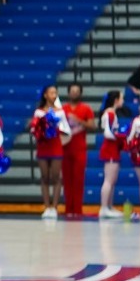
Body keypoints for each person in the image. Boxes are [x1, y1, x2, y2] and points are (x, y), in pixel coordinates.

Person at [31, 86, 69, 219]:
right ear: (45, 95)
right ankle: (47, 206)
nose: (54, 95)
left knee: (56, 177)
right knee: (45, 176)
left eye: (55, 93)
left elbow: (67, 129)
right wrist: (40, 130)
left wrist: (56, 128)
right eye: (51, 92)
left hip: (55, 145)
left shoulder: (60, 112)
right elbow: (33, 130)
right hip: (43, 146)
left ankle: (54, 206)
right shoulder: (38, 112)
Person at [59, 83, 93, 218]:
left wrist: (78, 120)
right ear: (68, 93)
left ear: (80, 93)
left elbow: (92, 125)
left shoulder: (86, 108)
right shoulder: (62, 109)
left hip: (79, 148)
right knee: (66, 180)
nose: (74, 93)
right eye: (72, 91)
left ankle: (77, 210)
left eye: (77, 91)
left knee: (78, 179)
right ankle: (69, 209)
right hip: (65, 147)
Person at [97, 90, 127, 218]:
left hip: (113, 147)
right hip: (110, 148)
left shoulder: (112, 113)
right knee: (109, 180)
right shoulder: (109, 114)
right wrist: (122, 136)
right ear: (116, 100)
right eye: (122, 98)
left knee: (112, 180)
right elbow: (108, 133)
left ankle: (109, 206)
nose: (123, 101)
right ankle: (104, 208)